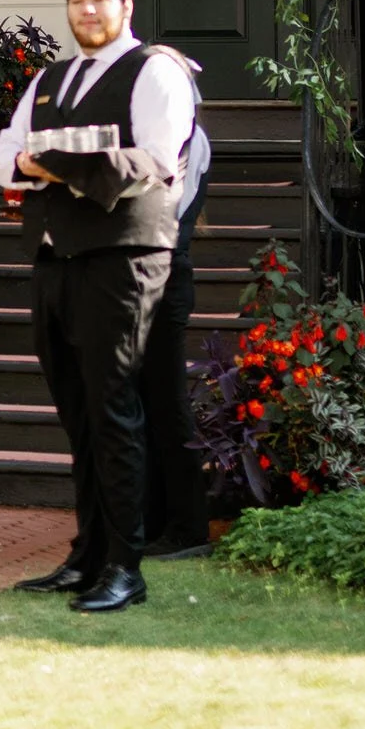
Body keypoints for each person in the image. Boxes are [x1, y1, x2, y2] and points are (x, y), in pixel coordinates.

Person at [0, 0, 197, 614]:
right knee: (77, 411)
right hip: (55, 258)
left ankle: (124, 567)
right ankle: (87, 555)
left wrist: (56, 165)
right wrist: (47, 164)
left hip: (124, 257)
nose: (87, 10)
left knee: (113, 407)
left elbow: (157, 159)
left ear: (125, 5)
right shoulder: (51, 79)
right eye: (77, 0)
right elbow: (2, 158)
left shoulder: (155, 71)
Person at [141, 109, 212, 559]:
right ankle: (155, 520)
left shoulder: (189, 139)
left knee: (168, 403)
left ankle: (189, 527)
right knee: (146, 403)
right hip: (143, 277)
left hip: (165, 278)